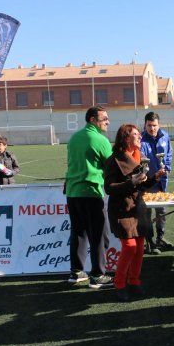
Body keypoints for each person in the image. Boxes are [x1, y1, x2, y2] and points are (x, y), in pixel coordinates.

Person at [105, 124, 166, 301]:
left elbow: (141, 185)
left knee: (139, 247)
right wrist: (131, 182)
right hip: (121, 210)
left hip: (137, 208)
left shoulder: (138, 156)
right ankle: (119, 283)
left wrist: (155, 177)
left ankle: (134, 281)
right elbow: (109, 188)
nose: (140, 137)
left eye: (140, 134)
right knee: (130, 246)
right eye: (136, 134)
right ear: (125, 138)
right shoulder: (113, 160)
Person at [65, 106, 114, 288]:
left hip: (72, 192)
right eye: (104, 118)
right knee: (99, 235)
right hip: (92, 192)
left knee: (78, 233)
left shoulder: (74, 137)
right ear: (93, 120)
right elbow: (111, 167)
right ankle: (98, 274)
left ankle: (76, 272)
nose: (107, 121)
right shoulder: (101, 140)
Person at [140, 111, 173, 254]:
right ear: (145, 125)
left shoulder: (165, 136)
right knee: (146, 213)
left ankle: (160, 238)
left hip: (161, 182)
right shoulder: (140, 139)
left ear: (159, 125)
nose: (152, 128)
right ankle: (150, 242)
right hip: (147, 182)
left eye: (154, 125)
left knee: (161, 212)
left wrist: (167, 168)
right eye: (149, 125)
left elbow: (169, 154)